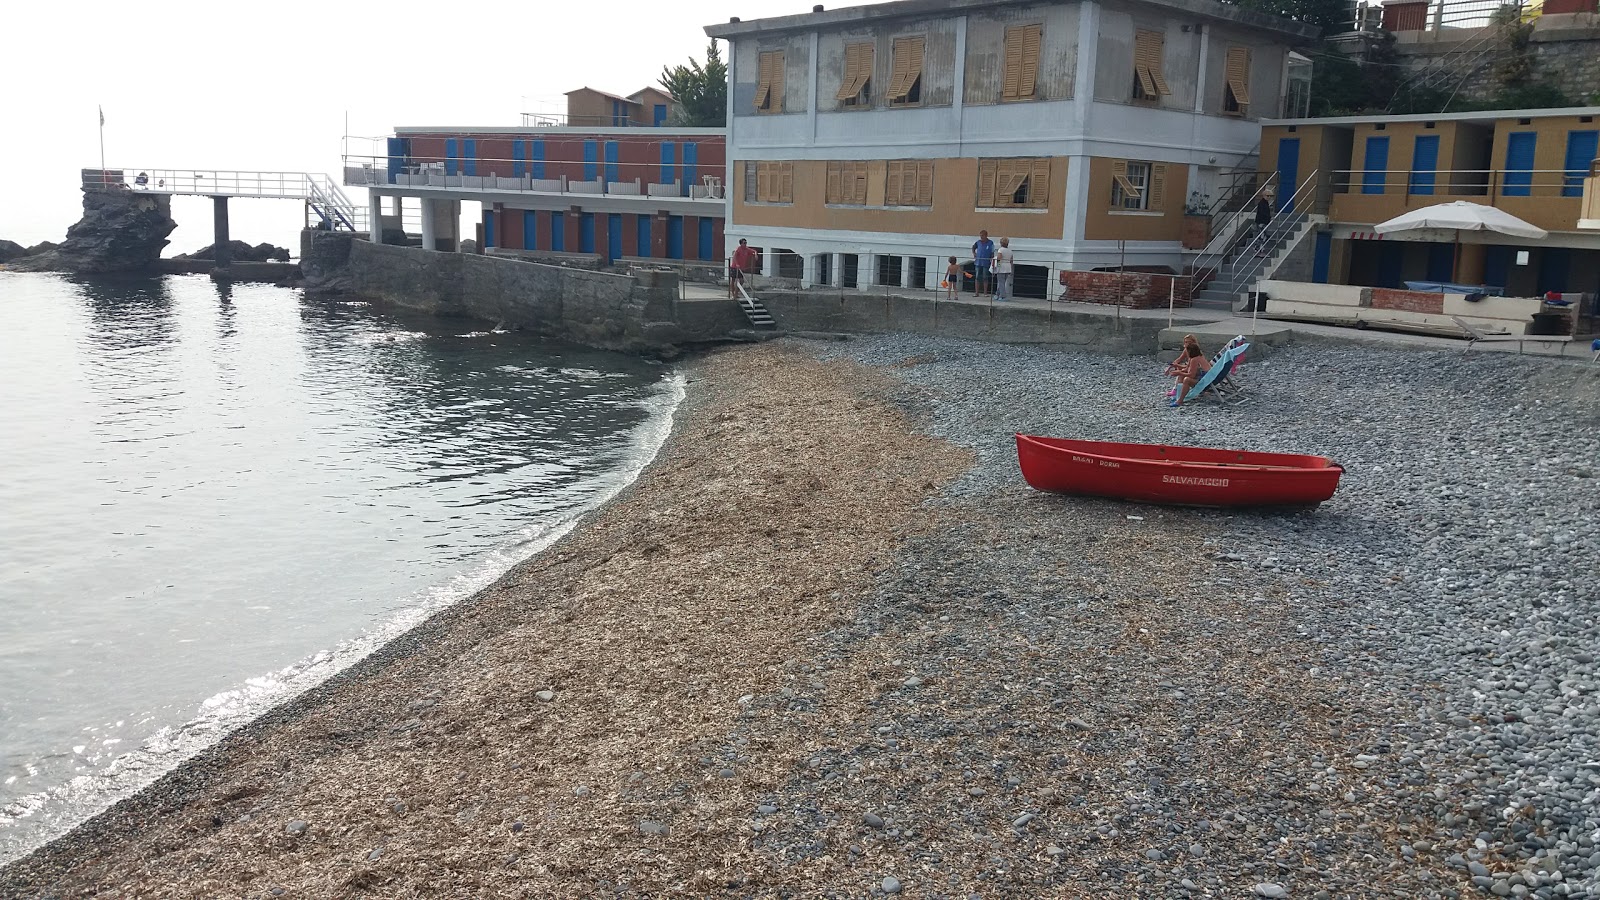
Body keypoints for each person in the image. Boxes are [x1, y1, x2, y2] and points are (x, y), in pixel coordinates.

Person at [1171, 343, 1211, 407]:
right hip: (1206, 378)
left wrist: (1179, 373)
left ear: (1190, 351)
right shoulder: (1198, 357)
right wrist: (1177, 368)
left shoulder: (1194, 359)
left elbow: (1191, 375)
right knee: (1182, 375)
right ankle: (1179, 396)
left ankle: (1180, 400)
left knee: (1187, 380)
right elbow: (1187, 368)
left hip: (1205, 382)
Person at [971, 230, 995, 297]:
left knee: (985, 277)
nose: (981, 237)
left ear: (986, 235)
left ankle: (985, 293)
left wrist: (992, 260)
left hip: (986, 262)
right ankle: (976, 292)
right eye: (980, 235)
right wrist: (974, 253)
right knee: (977, 277)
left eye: (982, 235)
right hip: (978, 262)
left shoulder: (990, 243)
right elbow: (973, 247)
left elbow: (992, 252)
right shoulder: (978, 242)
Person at [992, 237, 1015, 301]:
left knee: (1001, 282)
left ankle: (1003, 296)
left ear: (1001, 243)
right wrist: (1010, 268)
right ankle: (997, 294)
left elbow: (999, 259)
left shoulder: (1000, 250)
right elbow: (1011, 261)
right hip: (1008, 267)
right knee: (1002, 282)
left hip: (1002, 267)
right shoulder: (1010, 251)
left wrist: (997, 267)